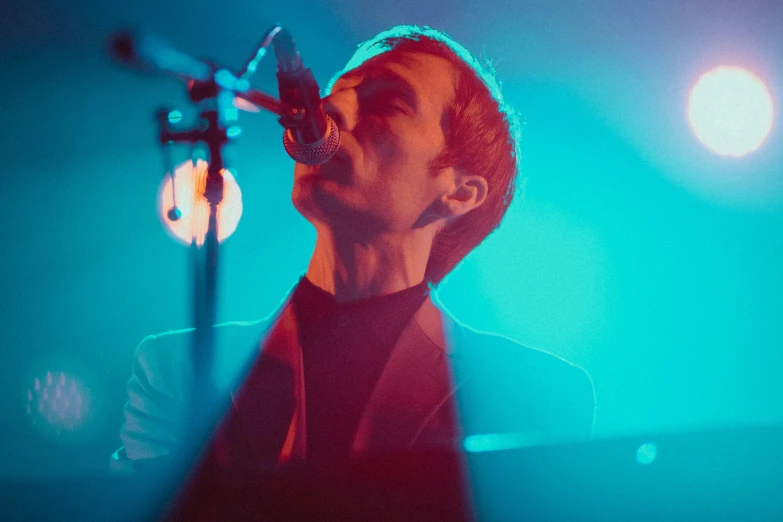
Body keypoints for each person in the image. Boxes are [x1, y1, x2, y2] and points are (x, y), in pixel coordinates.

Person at [111, 25, 595, 474]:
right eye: (332, 94)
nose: (330, 112)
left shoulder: (536, 393)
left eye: (387, 103)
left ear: (459, 194)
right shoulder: (174, 369)